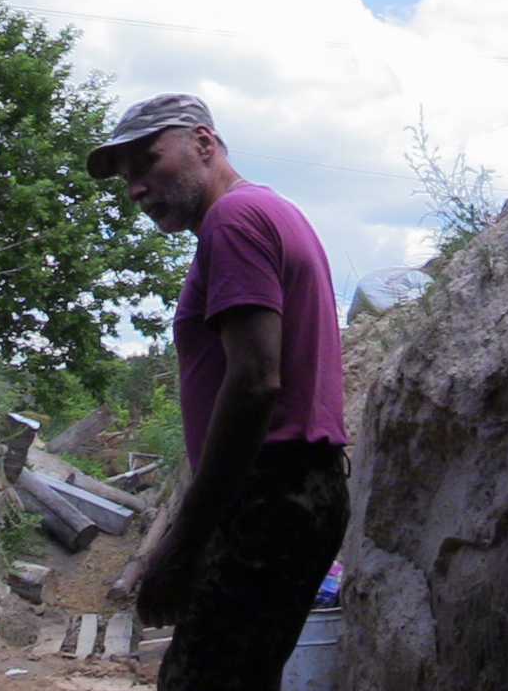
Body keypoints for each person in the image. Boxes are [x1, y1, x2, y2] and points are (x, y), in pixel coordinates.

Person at [87, 93, 348, 691]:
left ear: (204, 143)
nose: (136, 188)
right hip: (294, 491)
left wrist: (183, 542)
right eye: (126, 178)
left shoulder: (234, 221)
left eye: (148, 162)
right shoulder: (269, 211)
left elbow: (255, 383)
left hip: (269, 492)